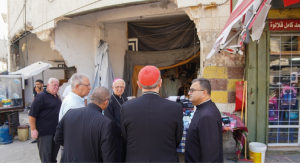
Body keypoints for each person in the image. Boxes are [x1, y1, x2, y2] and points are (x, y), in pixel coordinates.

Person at [120, 65, 183, 163]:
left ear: (139, 85)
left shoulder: (126, 107)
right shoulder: (175, 108)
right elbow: (177, 138)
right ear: (160, 83)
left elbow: (125, 137)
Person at [54, 86, 116, 163]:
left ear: (91, 97)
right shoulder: (106, 123)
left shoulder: (70, 113)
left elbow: (57, 138)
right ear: (106, 102)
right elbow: (108, 155)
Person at [185, 78, 223, 163]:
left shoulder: (207, 116)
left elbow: (210, 155)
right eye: (189, 90)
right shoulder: (203, 108)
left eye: (192, 90)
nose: (189, 93)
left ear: (204, 93)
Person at [29, 78, 61, 163]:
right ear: (48, 85)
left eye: (58, 85)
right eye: (54, 85)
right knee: (46, 158)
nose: (57, 87)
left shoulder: (56, 96)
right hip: (45, 133)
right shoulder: (41, 96)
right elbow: (32, 115)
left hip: (55, 132)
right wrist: (33, 129)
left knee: (53, 158)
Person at [104, 78, 128, 163]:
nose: (119, 89)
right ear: (112, 87)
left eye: (121, 87)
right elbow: (109, 118)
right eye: (117, 87)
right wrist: (121, 131)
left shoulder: (126, 100)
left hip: (125, 135)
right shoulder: (109, 101)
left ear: (124, 88)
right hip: (116, 135)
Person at [31, 79, 44, 144]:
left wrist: (39, 92)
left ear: (42, 85)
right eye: (36, 84)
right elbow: (34, 99)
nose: (37, 86)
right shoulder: (35, 90)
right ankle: (36, 137)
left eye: (38, 84)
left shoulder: (45, 91)